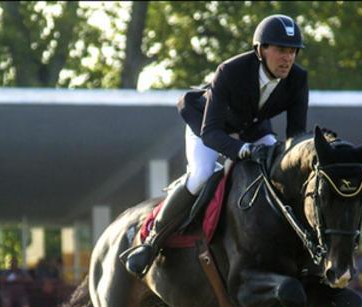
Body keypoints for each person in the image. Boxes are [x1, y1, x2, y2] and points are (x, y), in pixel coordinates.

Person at [123, 14, 310, 278]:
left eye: (293, 51)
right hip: (208, 127)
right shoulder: (230, 71)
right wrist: (243, 150)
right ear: (261, 50)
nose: (288, 58)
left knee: (279, 172)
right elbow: (211, 132)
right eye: (281, 50)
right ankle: (151, 241)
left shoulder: (298, 79)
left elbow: (296, 136)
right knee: (201, 174)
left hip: (253, 130)